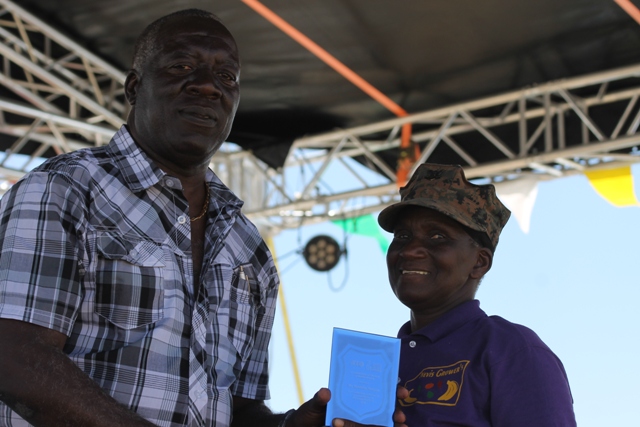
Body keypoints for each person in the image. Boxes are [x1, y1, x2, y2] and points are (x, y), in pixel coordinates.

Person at [0, 9, 407, 427]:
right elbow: (14, 356)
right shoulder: (65, 190)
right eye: (181, 66)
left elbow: (240, 409)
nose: (208, 86)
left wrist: (290, 426)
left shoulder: (248, 248)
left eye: (226, 77)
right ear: (135, 87)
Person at [377, 163, 577, 426]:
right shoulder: (378, 365)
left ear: (479, 263)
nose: (410, 250)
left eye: (437, 236)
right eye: (402, 235)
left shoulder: (511, 350)